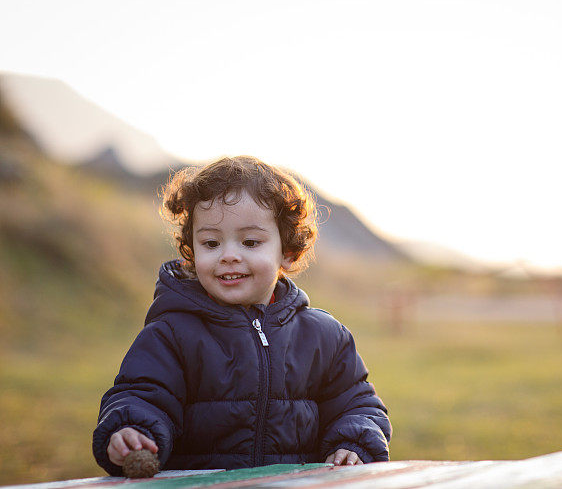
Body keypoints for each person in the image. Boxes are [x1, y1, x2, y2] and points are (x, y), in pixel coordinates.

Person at [92, 156, 391, 475]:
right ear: (192, 252)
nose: (229, 255)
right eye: (211, 243)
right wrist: (132, 430)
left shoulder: (325, 337)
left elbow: (357, 404)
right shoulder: (171, 333)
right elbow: (141, 393)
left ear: (287, 252)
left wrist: (354, 443)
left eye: (250, 242)